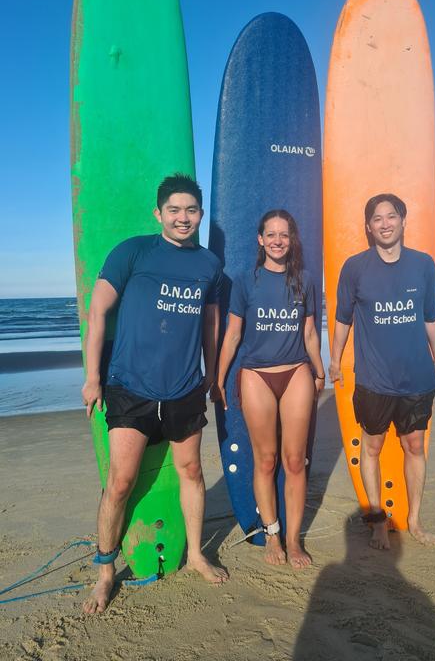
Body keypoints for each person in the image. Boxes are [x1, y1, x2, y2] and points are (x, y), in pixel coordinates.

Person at [81, 173, 228, 614]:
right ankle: (106, 572)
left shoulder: (208, 265)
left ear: (200, 215)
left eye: (191, 210)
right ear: (158, 213)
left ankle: (198, 554)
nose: (183, 218)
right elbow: (98, 311)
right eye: (175, 210)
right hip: (131, 388)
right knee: (120, 482)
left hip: (184, 388)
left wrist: (213, 374)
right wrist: (93, 378)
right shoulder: (133, 251)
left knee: (193, 473)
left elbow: (210, 324)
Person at [329, 193, 435, 550]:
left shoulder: (423, 264)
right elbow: (343, 318)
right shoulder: (355, 267)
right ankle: (378, 522)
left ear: (403, 220)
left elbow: (431, 314)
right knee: (372, 447)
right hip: (374, 379)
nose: (385, 224)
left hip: (416, 377)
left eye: (391, 216)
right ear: (368, 227)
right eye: (377, 219)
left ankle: (414, 520)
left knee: (414, 446)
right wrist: (334, 359)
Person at [214, 210, 325, 568]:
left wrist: (319, 370)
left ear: (292, 241)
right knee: (265, 459)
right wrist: (218, 378)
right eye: (271, 234)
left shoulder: (305, 280)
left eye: (285, 235)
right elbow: (232, 335)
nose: (278, 240)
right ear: (260, 240)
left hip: (296, 373)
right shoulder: (245, 281)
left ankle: (293, 541)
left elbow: (308, 332)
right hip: (256, 376)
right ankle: (271, 535)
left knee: (295, 461)